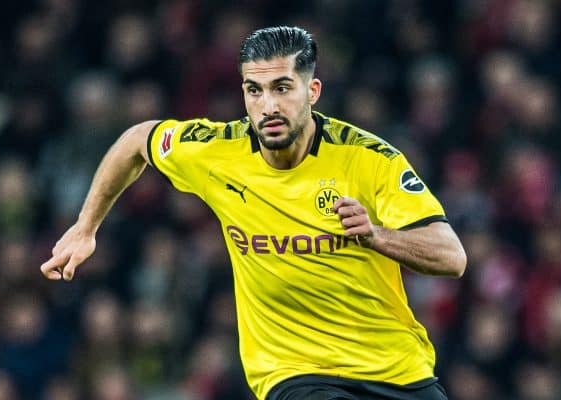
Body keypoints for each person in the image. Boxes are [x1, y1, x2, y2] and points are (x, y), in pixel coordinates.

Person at [41, 26, 467, 400]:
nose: (268, 106)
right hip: (295, 374)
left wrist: (378, 235)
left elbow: (452, 258)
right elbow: (138, 140)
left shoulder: (370, 160)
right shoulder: (218, 151)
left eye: (282, 88)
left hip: (397, 369)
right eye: (255, 90)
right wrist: (85, 227)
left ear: (312, 92)